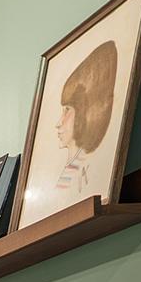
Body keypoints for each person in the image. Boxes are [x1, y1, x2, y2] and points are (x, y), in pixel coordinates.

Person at [53, 40, 118, 199]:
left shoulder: (88, 172)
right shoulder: (69, 175)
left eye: (67, 110)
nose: (58, 123)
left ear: (83, 112)